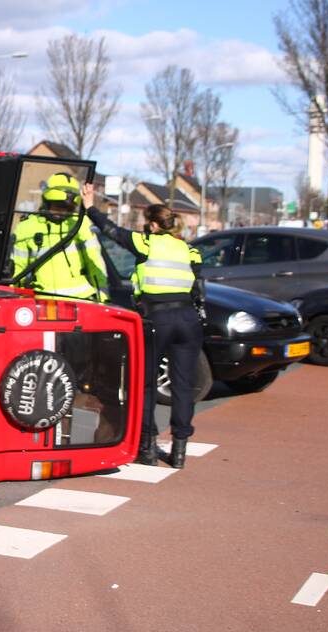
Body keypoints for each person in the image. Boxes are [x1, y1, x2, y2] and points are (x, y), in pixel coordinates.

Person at [81, 183, 204, 469]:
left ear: (152, 225)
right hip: (188, 320)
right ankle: (180, 450)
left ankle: (147, 447)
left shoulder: (146, 243)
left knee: (146, 383)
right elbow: (198, 287)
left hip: (157, 319)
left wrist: (89, 208)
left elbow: (112, 232)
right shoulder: (189, 250)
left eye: (143, 224)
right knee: (184, 386)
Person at [11, 173, 109, 302]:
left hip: (82, 302)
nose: (62, 212)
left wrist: (103, 300)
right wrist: (12, 299)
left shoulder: (80, 224)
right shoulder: (26, 228)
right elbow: (17, 269)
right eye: (58, 206)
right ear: (47, 202)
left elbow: (95, 263)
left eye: (67, 208)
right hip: (42, 304)